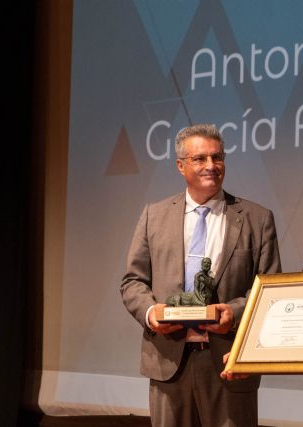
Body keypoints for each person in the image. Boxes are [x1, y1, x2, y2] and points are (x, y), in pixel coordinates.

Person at [120, 124, 281, 427]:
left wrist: (232, 313)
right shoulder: (153, 215)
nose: (211, 166)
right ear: (180, 166)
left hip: (227, 361)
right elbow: (133, 282)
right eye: (200, 159)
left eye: (217, 158)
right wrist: (152, 312)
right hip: (168, 362)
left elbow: (270, 292)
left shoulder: (257, 219)